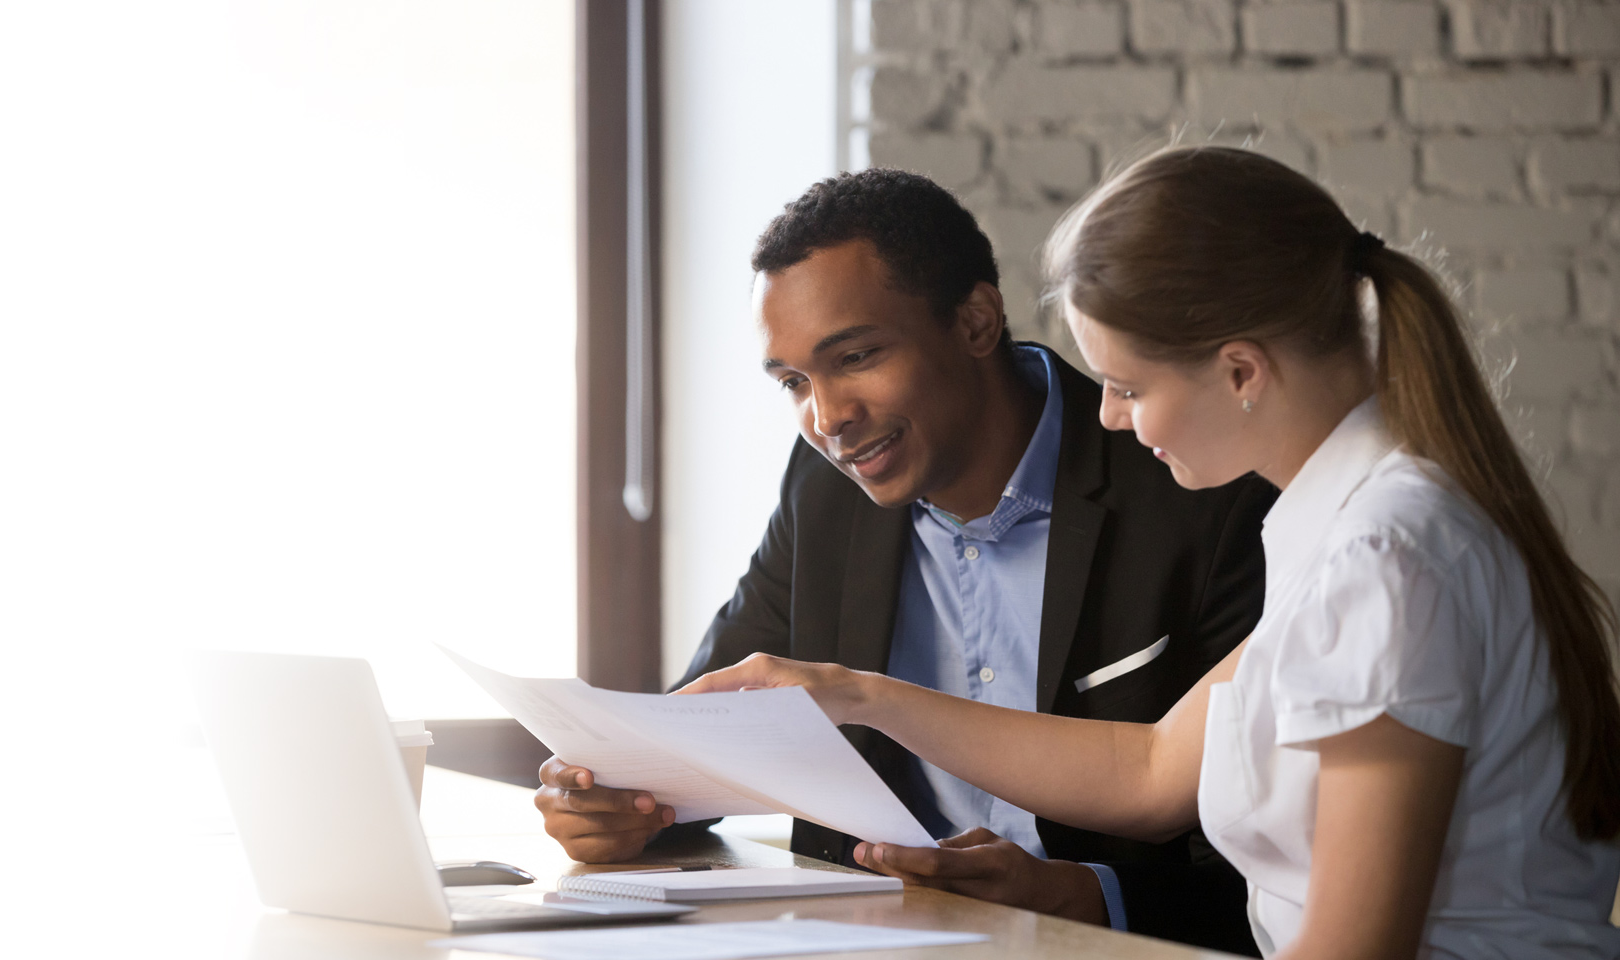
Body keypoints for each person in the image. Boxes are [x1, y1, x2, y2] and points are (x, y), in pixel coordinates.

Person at [680, 146, 1620, 959]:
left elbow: (1350, 949)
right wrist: (860, 696)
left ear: (1241, 372)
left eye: (1128, 385)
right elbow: (1152, 771)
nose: (1108, 415)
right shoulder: (1345, 525)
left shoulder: (1385, 557)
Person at [533, 169, 1278, 953]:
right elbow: (708, 728)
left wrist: (1087, 894)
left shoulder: (1201, 494)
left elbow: (1278, 866)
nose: (827, 420)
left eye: (854, 357)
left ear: (977, 321)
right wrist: (618, 801)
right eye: (793, 382)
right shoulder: (824, 493)